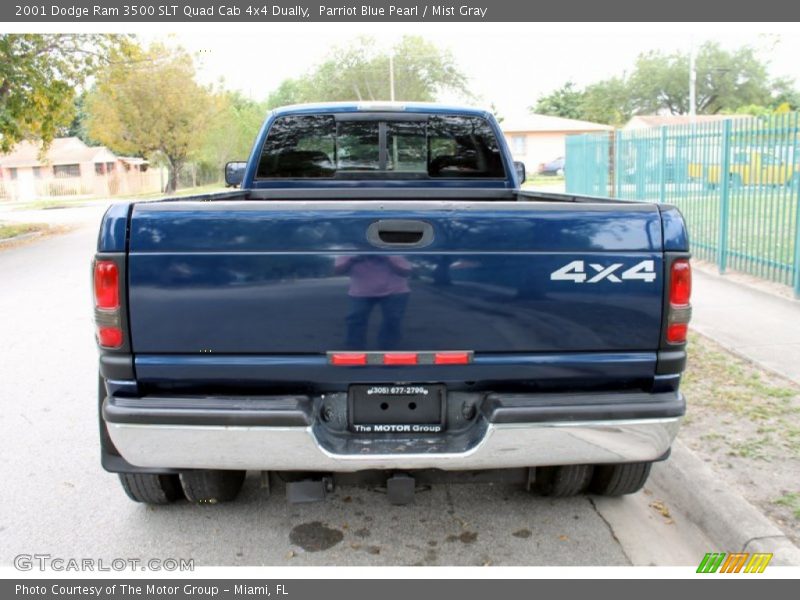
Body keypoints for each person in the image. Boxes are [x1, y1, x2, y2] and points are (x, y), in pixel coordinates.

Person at [333, 255, 412, 349]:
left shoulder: (393, 254)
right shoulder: (348, 254)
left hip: (395, 291)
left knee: (392, 320)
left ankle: (388, 349)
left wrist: (387, 259)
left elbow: (405, 273)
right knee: (355, 320)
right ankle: (355, 350)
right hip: (361, 292)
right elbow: (338, 272)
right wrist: (352, 260)